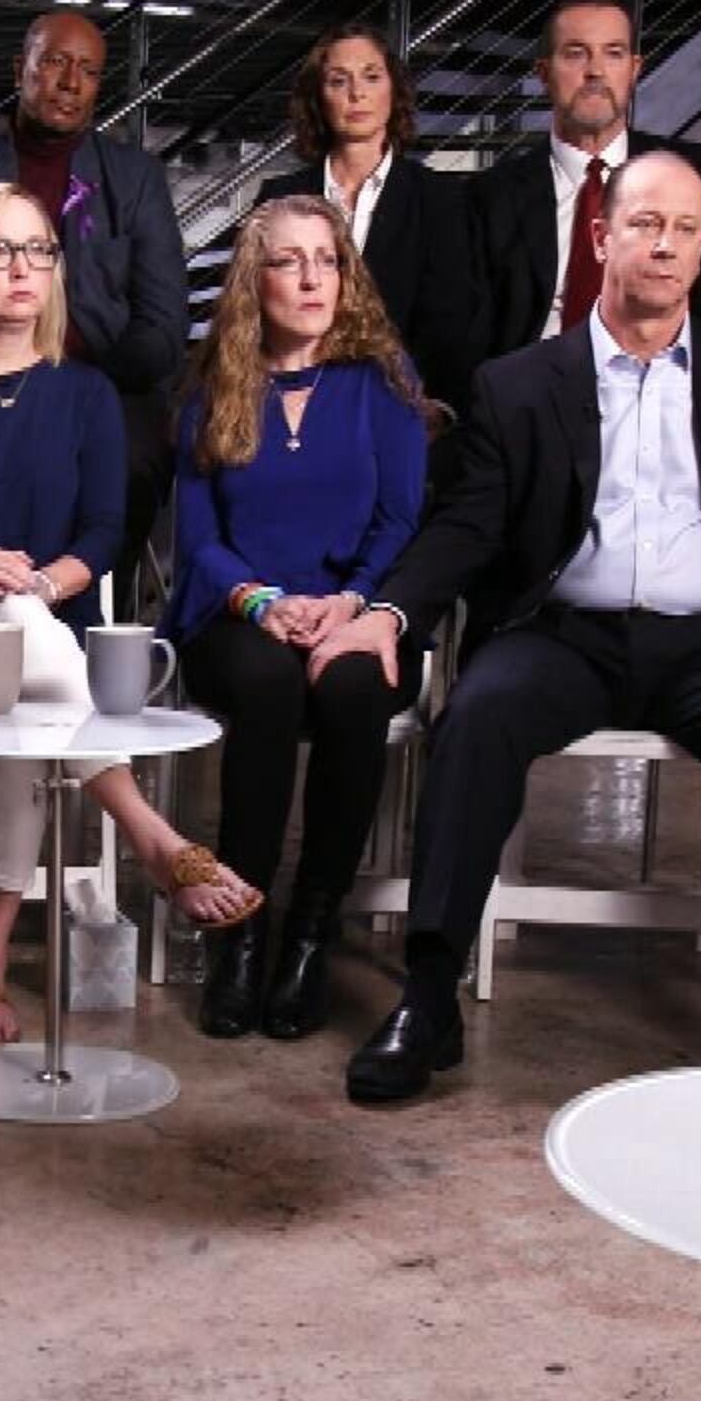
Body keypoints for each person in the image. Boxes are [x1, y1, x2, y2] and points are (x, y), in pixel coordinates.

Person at [320, 149, 701, 1104]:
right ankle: (429, 996)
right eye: (646, 224)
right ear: (605, 236)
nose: (665, 246)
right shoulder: (519, 383)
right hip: (561, 635)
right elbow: (469, 526)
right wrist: (390, 613)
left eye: (685, 230)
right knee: (475, 721)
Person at [0, 182, 263, 1051]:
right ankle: (153, 835)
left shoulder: (83, 393)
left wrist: (39, 585)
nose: (22, 269)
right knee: (18, 646)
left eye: (39, 251)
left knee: (25, 670)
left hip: (34, 641)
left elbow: (101, 533)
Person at [167, 196, 428, 1042]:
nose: (312, 277)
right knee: (268, 686)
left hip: (354, 611)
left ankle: (311, 933)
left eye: (327, 258)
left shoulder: (383, 378)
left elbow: (400, 518)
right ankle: (239, 934)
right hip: (237, 613)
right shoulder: (213, 385)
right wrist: (262, 602)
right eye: (289, 260)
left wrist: (350, 604)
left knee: (354, 690)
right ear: (256, 277)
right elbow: (199, 537)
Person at [0, 10, 189, 598]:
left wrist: (71, 388)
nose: (70, 81)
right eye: (55, 61)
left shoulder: (135, 179)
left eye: (88, 69)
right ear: (20, 69)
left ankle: (93, 606)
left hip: (104, 388)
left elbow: (161, 332)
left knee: (128, 463)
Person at [469, 0, 701, 361]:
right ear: (544, 73)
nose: (595, 71)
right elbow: (469, 340)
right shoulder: (489, 195)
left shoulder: (698, 173)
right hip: (534, 398)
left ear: (634, 69)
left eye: (613, 53)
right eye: (576, 53)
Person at [253, 22, 483, 414]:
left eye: (371, 77)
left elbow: (447, 328)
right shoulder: (278, 198)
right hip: (289, 402)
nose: (357, 94)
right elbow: (255, 318)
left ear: (393, 89)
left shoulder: (439, 199)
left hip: (399, 405)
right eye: (339, 81)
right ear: (318, 98)